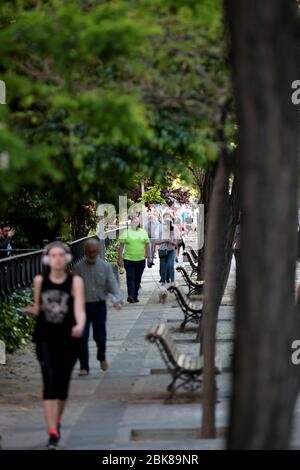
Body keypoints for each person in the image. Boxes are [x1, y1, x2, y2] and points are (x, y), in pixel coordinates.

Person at [22, 241, 86, 449]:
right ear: (47, 259)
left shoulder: (75, 282)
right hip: (45, 337)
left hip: (68, 337)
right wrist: (33, 311)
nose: (57, 259)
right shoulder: (40, 280)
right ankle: (52, 432)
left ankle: (56, 420)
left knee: (62, 384)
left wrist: (80, 325)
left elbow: (79, 309)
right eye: (53, 255)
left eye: (61, 255)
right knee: (49, 380)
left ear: (66, 258)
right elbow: (38, 307)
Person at [74, 238, 123, 376]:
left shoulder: (105, 267)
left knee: (100, 336)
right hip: (82, 306)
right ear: (85, 251)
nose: (91, 254)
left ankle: (101, 357)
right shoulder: (78, 267)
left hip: (99, 305)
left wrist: (117, 300)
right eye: (89, 251)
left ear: (98, 251)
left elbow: (112, 285)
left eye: (94, 251)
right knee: (82, 337)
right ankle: (84, 366)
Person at [117, 216, 152, 303]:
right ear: (131, 223)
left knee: (138, 279)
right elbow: (121, 246)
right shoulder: (126, 232)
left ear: (139, 223)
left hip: (140, 259)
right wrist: (120, 258)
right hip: (129, 259)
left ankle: (135, 295)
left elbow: (147, 246)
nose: (135, 223)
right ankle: (130, 296)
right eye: (133, 222)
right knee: (130, 278)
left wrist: (149, 258)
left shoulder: (143, 232)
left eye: (137, 222)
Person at [155, 213, 178, 285]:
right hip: (162, 250)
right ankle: (163, 280)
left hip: (171, 250)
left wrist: (171, 241)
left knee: (170, 265)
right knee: (163, 267)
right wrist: (164, 241)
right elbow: (156, 242)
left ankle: (172, 281)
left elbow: (176, 243)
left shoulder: (174, 229)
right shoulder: (159, 228)